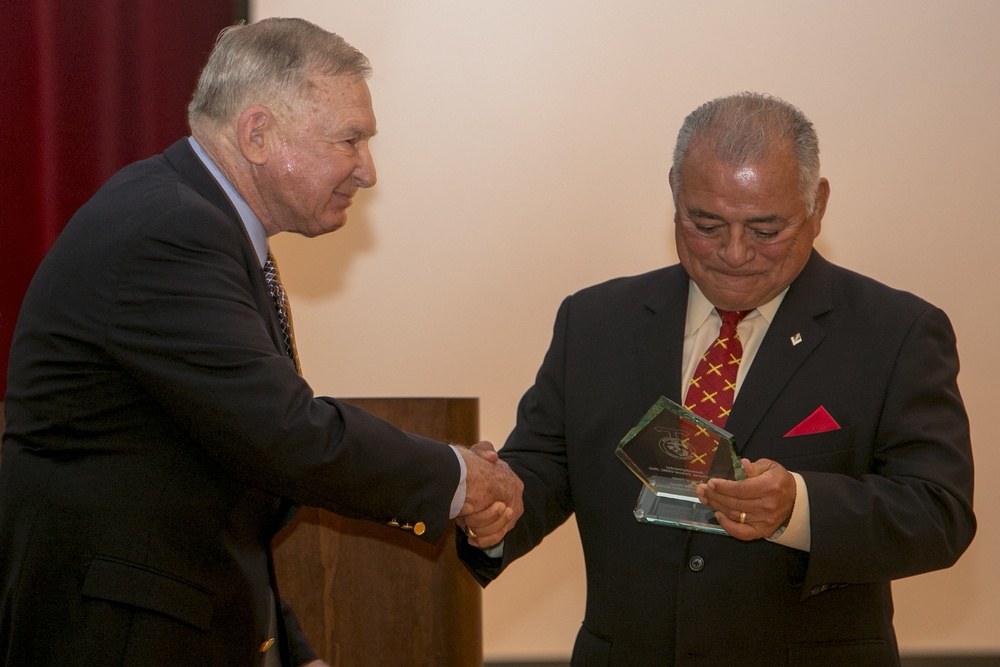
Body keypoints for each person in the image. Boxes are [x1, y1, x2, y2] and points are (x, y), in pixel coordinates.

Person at [0, 18, 521, 667]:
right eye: (350, 140)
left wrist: (291, 650)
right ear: (257, 134)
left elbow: (231, 476)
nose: (368, 171)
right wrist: (457, 475)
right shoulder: (170, 231)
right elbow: (284, 433)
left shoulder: (202, 224)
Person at [457, 92, 975, 665]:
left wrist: (798, 506)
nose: (733, 253)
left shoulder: (894, 332)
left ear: (818, 205)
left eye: (764, 230)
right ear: (674, 193)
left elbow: (938, 513)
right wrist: (490, 506)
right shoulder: (596, 321)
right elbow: (544, 471)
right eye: (706, 225)